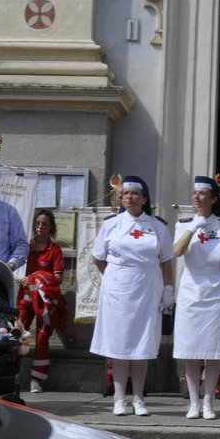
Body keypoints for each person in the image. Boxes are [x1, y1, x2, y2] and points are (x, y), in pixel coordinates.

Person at [91, 176, 174, 416]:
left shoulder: (157, 225)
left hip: (148, 288)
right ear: (120, 198)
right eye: (125, 193)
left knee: (142, 343)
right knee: (119, 343)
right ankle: (119, 398)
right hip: (118, 289)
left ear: (144, 198)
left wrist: (168, 289)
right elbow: (98, 257)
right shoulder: (111, 224)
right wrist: (114, 277)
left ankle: (138, 397)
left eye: (135, 193)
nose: (129, 197)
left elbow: (167, 259)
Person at [172, 177, 220, 420]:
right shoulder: (184, 224)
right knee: (191, 350)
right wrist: (194, 227)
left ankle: (209, 401)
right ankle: (193, 401)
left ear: (213, 199)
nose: (197, 197)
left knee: (212, 351)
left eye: (202, 193)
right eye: (195, 193)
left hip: (216, 290)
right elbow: (177, 252)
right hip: (191, 290)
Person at [18, 208, 67, 394]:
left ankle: (36, 379)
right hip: (25, 298)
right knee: (19, 334)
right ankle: (13, 373)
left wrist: (34, 277)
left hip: (46, 301)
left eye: (44, 224)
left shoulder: (54, 250)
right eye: (37, 224)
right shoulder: (25, 246)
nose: (40, 227)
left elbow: (58, 278)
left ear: (51, 227)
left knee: (42, 337)